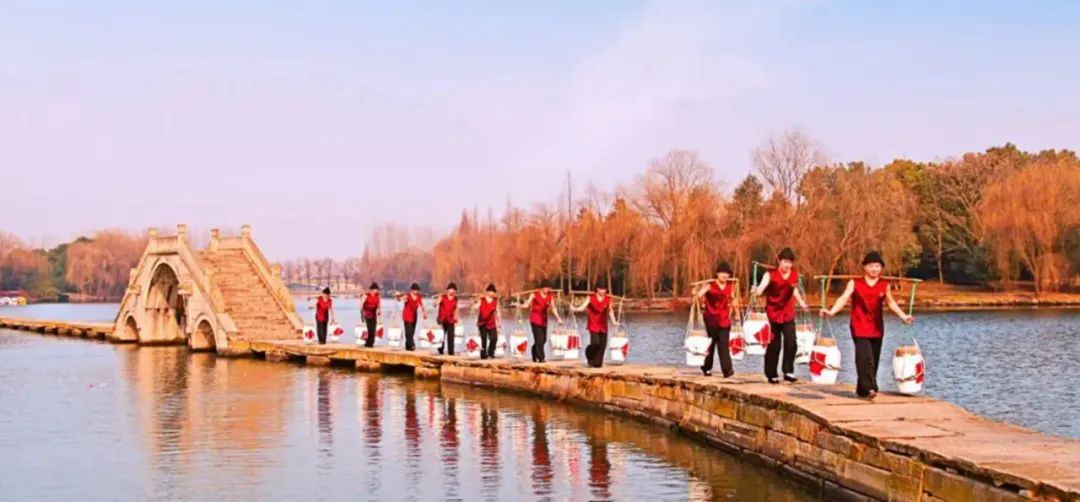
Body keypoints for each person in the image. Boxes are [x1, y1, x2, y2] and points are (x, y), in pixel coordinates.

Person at [821, 251, 915, 399]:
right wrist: (832, 311)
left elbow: (890, 302)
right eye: (871, 266)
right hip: (859, 325)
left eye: (877, 266)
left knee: (874, 359)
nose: (874, 269)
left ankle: (862, 390)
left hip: (876, 327)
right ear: (865, 267)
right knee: (865, 358)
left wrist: (903, 316)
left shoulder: (884, 285)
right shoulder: (854, 283)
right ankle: (870, 387)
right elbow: (844, 298)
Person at [751, 247, 810, 384]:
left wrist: (802, 303)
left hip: (787, 312)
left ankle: (788, 371)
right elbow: (761, 289)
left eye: (790, 262)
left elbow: (794, 291)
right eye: (785, 261)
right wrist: (756, 291)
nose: (787, 265)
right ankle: (771, 373)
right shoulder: (770, 274)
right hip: (773, 312)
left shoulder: (794, 274)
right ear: (779, 261)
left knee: (791, 342)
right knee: (774, 345)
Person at [694, 262, 739, 377]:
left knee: (724, 345)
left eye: (727, 273)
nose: (724, 275)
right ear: (717, 274)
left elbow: (734, 301)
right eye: (722, 273)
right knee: (710, 345)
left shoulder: (730, 287)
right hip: (711, 319)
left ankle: (727, 370)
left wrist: (736, 314)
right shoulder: (710, 285)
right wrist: (696, 291)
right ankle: (706, 367)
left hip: (724, 320)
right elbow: (699, 295)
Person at [572, 284, 619, 368]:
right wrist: (575, 309)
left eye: (605, 289)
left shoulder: (608, 299)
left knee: (602, 345)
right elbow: (583, 307)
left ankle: (597, 362)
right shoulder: (591, 298)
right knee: (595, 343)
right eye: (601, 289)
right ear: (597, 289)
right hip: (593, 324)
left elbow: (610, 311)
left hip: (603, 325)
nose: (603, 291)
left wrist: (614, 321)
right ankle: (588, 354)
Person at [521, 281, 562, 363]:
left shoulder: (550, 296)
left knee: (543, 340)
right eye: (546, 288)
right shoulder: (534, 295)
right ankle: (541, 358)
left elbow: (553, 307)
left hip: (543, 320)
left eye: (548, 288)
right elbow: (528, 303)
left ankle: (534, 350)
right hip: (535, 319)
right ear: (542, 288)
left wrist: (558, 318)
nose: (547, 290)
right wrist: (524, 305)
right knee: (539, 339)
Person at [395, 283, 428, 351]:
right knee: (408, 331)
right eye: (415, 290)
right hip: (407, 315)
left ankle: (408, 346)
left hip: (414, 316)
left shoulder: (419, 297)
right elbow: (400, 300)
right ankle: (412, 345)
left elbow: (422, 305)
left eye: (417, 290)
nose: (416, 292)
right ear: (412, 290)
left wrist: (424, 313)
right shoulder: (407, 296)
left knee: (412, 332)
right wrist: (398, 297)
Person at [472, 284, 501, 359]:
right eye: (491, 291)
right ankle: (483, 354)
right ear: (488, 292)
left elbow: (498, 312)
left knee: (494, 338)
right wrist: (474, 303)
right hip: (482, 322)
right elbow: (476, 307)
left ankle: (491, 353)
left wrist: (499, 323)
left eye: (493, 292)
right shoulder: (482, 300)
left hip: (491, 323)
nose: (492, 293)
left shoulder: (495, 301)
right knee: (483, 339)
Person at [435, 283, 460, 355]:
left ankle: (451, 351)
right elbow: (435, 304)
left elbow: (456, 308)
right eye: (451, 290)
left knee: (451, 335)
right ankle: (440, 348)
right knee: (441, 335)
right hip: (442, 318)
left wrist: (457, 317)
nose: (452, 291)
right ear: (448, 290)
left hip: (451, 319)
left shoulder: (455, 298)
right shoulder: (443, 297)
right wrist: (437, 302)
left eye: (454, 290)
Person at [361, 282, 381, 348]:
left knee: (373, 328)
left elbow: (379, 305)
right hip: (367, 313)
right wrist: (362, 312)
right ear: (372, 289)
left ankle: (371, 343)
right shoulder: (366, 295)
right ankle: (369, 343)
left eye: (377, 289)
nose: (377, 291)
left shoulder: (377, 296)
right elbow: (361, 304)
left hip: (373, 312)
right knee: (370, 328)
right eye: (376, 289)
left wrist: (379, 312)